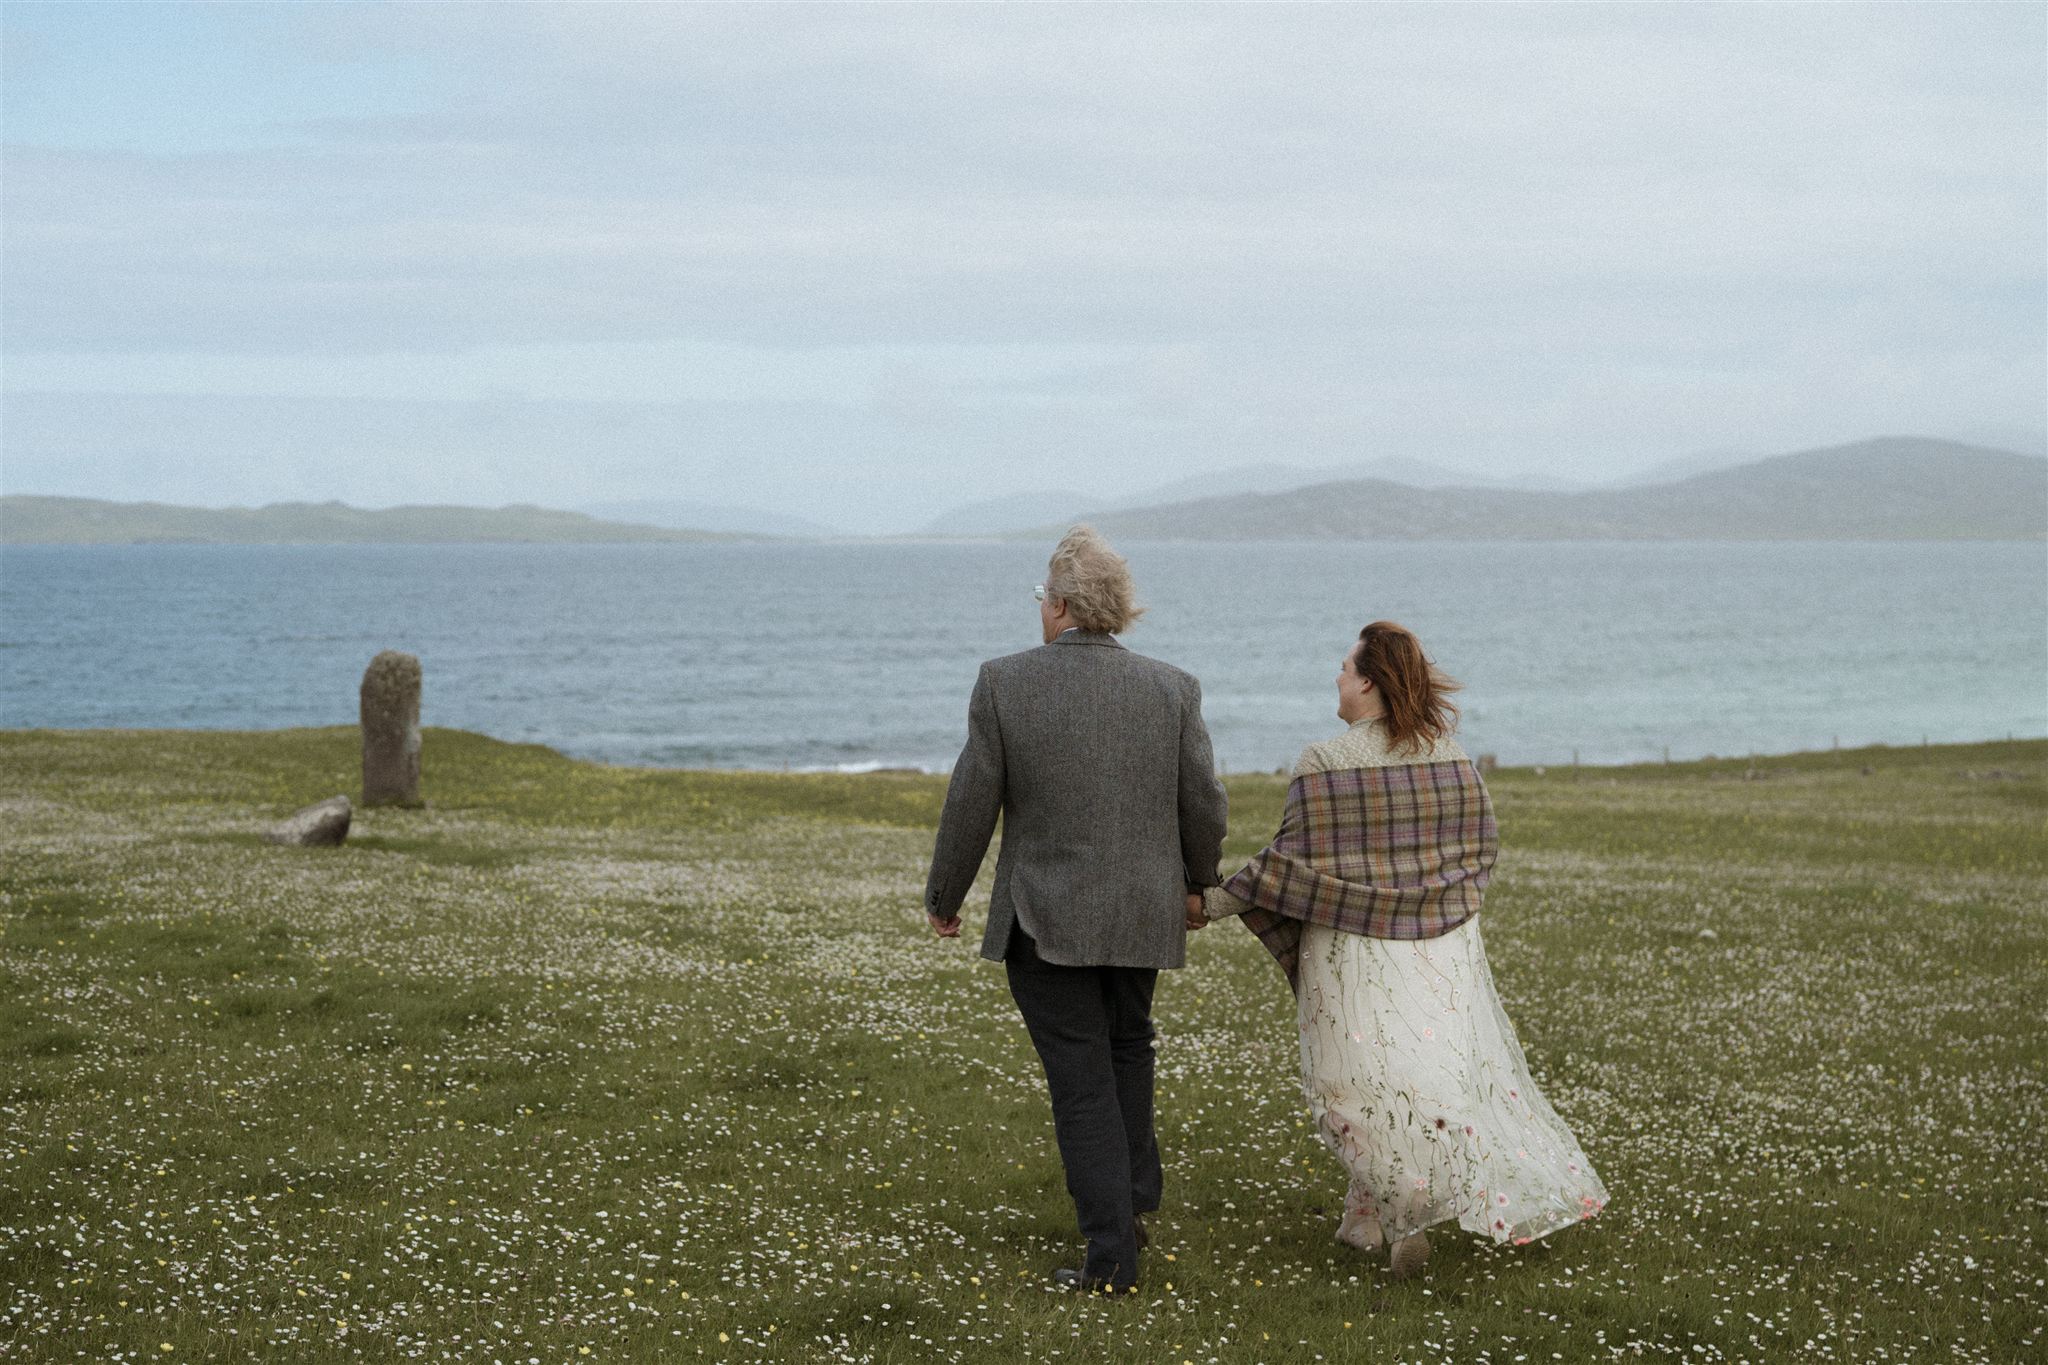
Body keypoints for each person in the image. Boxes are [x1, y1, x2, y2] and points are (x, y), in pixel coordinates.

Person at [1194, 620, 1607, 1279]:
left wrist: (1208, 903)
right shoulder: (1451, 756)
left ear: (1366, 680)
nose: (1335, 676)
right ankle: (1372, 1216)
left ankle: (1407, 1212)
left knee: (1349, 1086)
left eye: (1342, 666)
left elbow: (1288, 865)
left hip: (1351, 950)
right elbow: (1480, 848)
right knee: (1424, 1074)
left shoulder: (1323, 762)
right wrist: (1438, 902)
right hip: (1435, 945)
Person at [924, 526, 1229, 1293]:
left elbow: (971, 803)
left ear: (1059, 605)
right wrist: (1200, 880)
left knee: (1085, 1079)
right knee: (1128, 1049)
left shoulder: (1003, 682)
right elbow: (1204, 802)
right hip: (1139, 913)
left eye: (1041, 597)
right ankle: (1130, 1210)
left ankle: (1110, 1258)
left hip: (1045, 918)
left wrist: (944, 896)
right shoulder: (1174, 688)